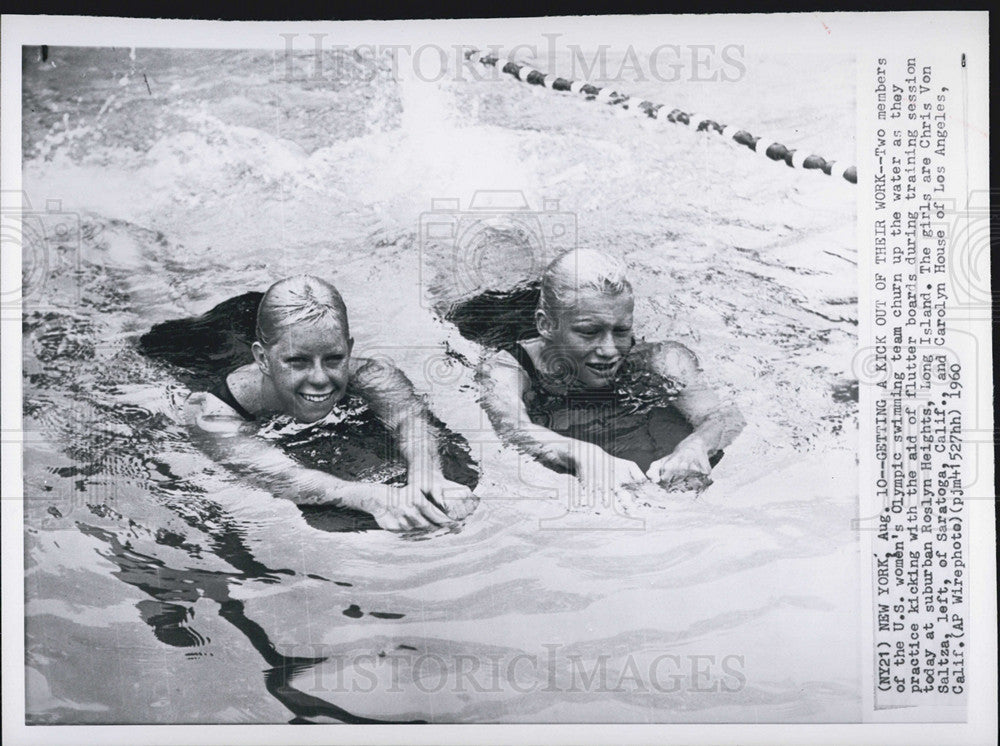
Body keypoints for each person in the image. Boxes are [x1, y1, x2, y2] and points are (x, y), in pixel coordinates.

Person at [183, 275, 478, 532]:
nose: (321, 378)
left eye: (334, 359)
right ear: (262, 359)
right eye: (297, 362)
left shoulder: (372, 374)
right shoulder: (214, 413)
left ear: (348, 349)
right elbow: (281, 475)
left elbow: (410, 420)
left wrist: (427, 473)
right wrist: (370, 497)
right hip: (201, 348)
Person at [477, 248, 745, 496]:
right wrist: (581, 453)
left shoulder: (661, 359)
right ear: (546, 325)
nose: (609, 350)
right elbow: (512, 427)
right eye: (589, 332)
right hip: (486, 319)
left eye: (621, 330)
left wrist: (697, 444)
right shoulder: (507, 369)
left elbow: (724, 415)